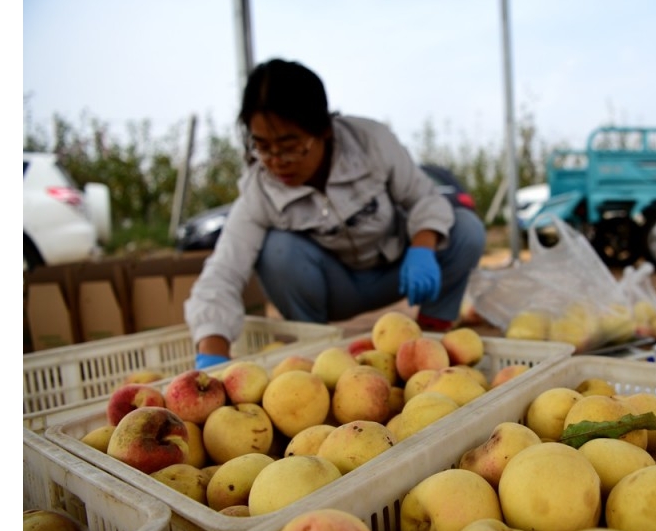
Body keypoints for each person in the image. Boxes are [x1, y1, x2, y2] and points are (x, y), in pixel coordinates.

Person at [184, 58, 486, 371]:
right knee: (277, 251)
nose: (276, 161)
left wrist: (422, 247)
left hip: (397, 271)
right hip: (336, 287)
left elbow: (424, 197)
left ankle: (430, 341)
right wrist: (212, 352)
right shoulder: (261, 191)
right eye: (262, 147)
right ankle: (318, 359)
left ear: (324, 129)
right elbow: (222, 272)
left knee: (465, 229)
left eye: (290, 146)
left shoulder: (371, 143)